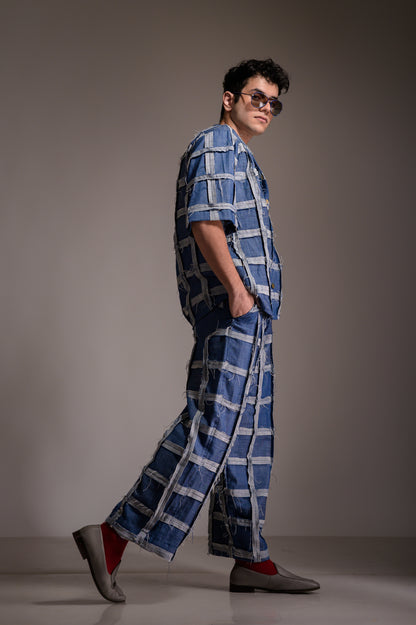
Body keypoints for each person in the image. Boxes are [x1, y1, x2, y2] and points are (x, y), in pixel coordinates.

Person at [73, 58, 320, 602]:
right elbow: (205, 220)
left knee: (247, 440)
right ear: (229, 98)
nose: (266, 108)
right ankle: (112, 536)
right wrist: (237, 290)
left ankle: (251, 559)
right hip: (235, 309)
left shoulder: (242, 156)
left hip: (254, 313)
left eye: (274, 102)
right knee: (211, 430)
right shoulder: (215, 144)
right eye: (256, 97)